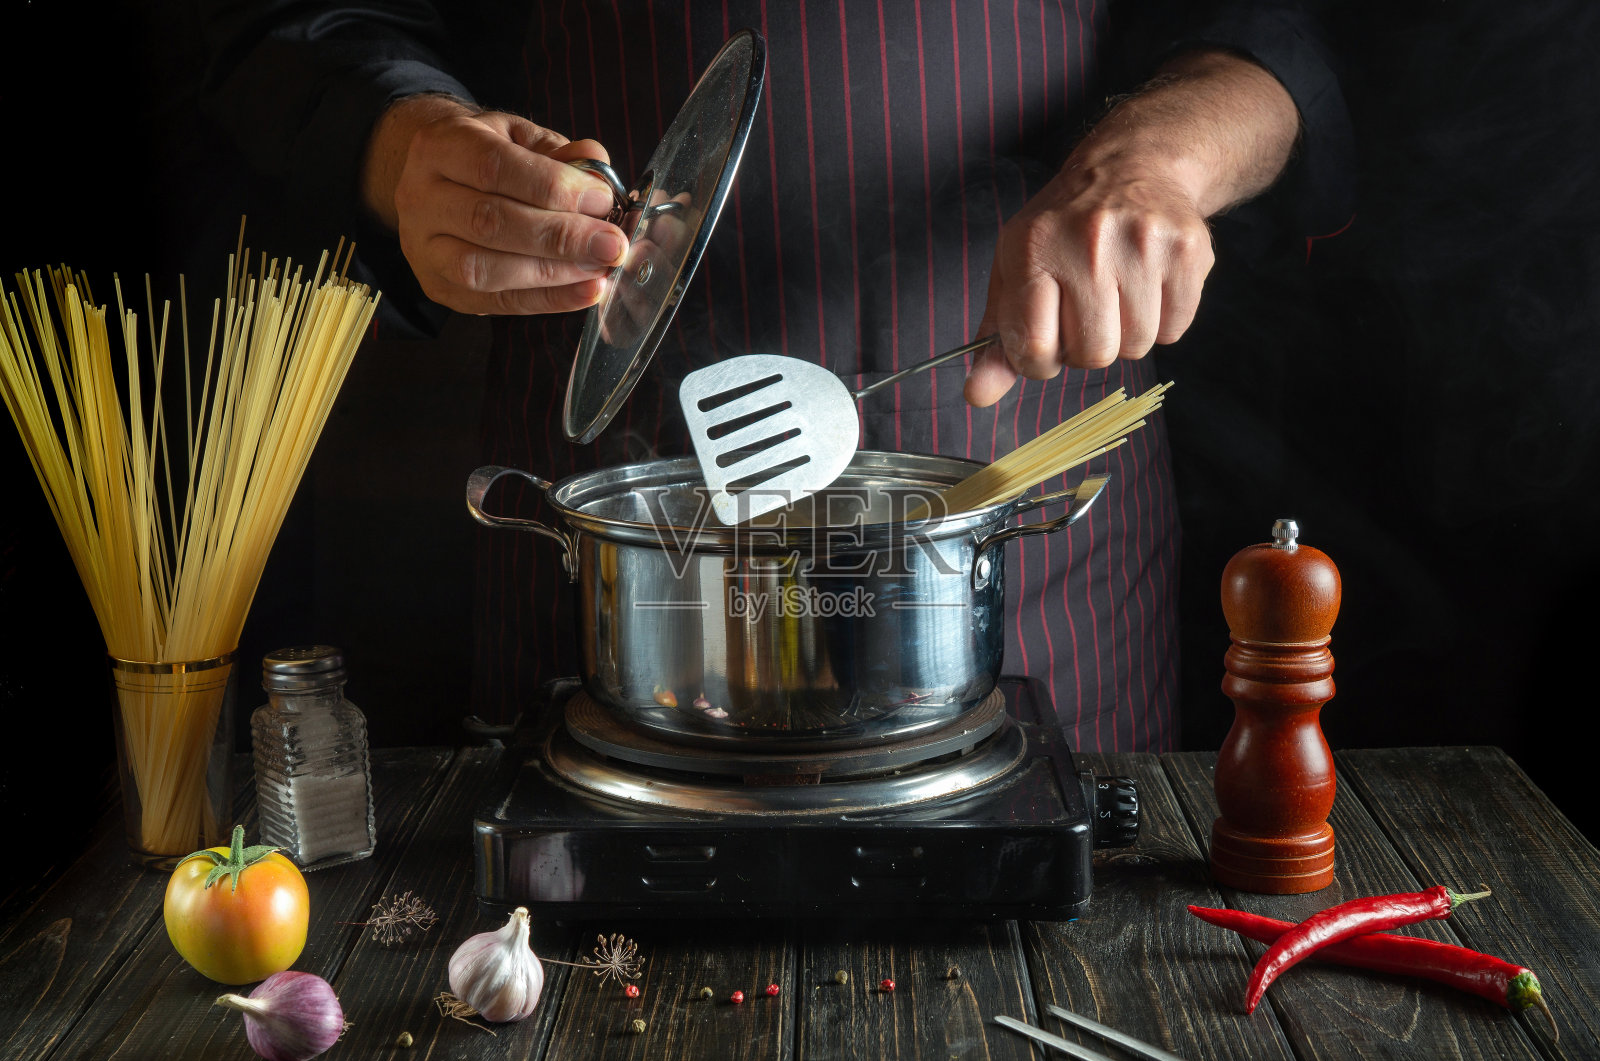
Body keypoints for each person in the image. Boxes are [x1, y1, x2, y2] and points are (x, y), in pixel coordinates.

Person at [203, 2, 1351, 749]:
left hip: (1032, 561)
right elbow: (296, 29)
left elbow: (1274, 33)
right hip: (618, 568)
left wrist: (1156, 159)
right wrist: (408, 145)